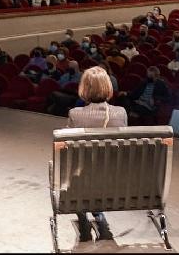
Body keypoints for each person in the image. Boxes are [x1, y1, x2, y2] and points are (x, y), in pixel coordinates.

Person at [64, 67, 128, 242]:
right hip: (114, 185)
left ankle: (84, 218)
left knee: (79, 173)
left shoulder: (75, 115)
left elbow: (68, 151)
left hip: (83, 184)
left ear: (84, 88)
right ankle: (98, 215)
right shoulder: (121, 112)